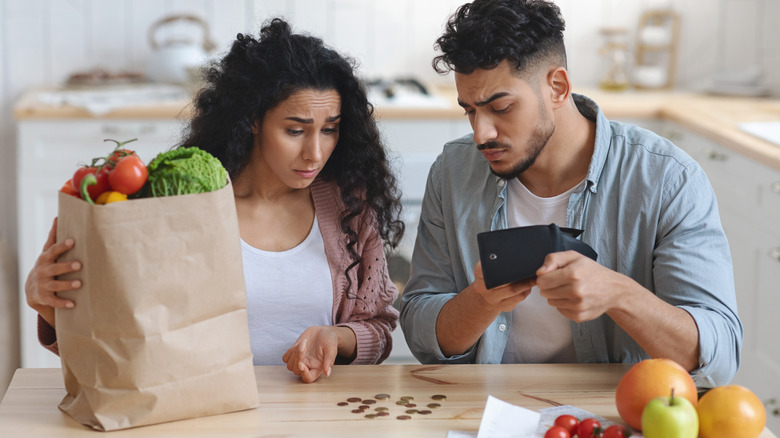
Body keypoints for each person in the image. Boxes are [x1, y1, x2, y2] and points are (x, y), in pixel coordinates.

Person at [25, 18, 404, 383]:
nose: (315, 153)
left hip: (314, 414)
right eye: (295, 130)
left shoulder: (349, 209)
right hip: (200, 413)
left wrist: (337, 339)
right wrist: (47, 303)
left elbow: (381, 327)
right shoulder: (186, 204)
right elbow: (121, 340)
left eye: (330, 130)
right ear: (253, 119)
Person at [399, 0, 741, 387]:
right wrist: (479, 300)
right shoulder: (453, 172)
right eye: (469, 111)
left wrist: (619, 295)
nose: (482, 134)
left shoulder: (667, 179)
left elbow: (720, 356)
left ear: (557, 87)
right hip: (480, 409)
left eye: (501, 108)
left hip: (615, 414)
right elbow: (420, 331)